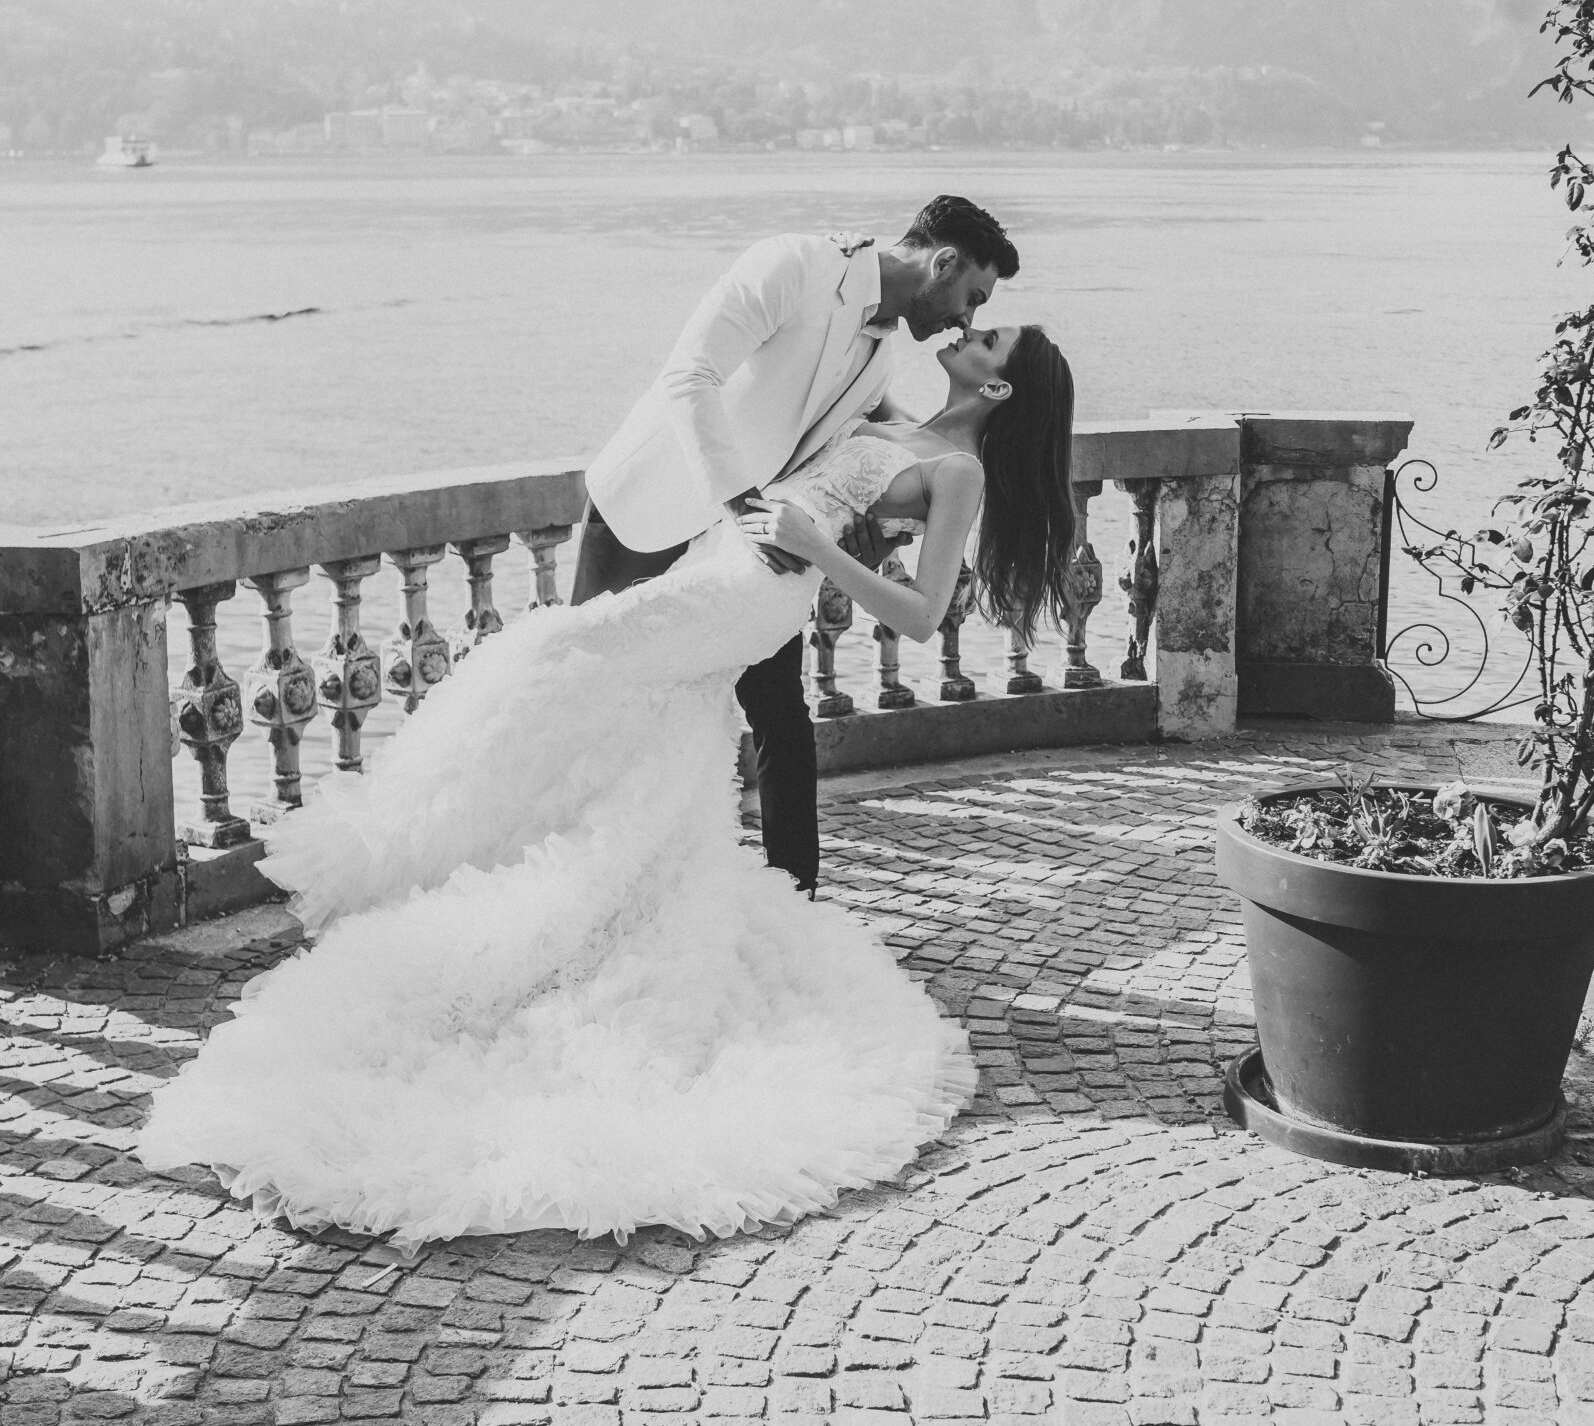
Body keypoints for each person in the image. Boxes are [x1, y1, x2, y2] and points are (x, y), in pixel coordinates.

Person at [135, 298, 1079, 1255]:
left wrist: (824, 550)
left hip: (760, 590)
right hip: (729, 565)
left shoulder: (956, 470)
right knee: (634, 731)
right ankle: (569, 899)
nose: (969, 328)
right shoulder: (887, 413)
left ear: (998, 385)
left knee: (554, 656)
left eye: (989, 337)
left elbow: (922, 616)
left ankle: (459, 858)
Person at [574, 196, 1021, 896]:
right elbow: (689, 377)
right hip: (648, 511)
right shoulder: (793, 264)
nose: (967, 319)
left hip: (752, 555)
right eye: (971, 297)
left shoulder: (878, 364)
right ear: (941, 261)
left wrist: (869, 534)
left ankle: (792, 898)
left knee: (781, 714)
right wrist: (740, 503)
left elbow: (880, 452)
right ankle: (578, 872)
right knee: (591, 692)